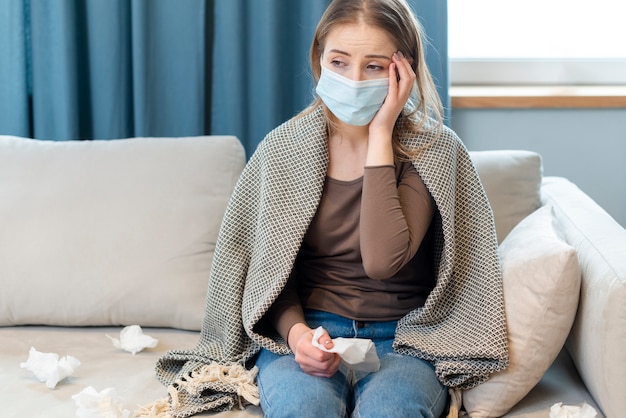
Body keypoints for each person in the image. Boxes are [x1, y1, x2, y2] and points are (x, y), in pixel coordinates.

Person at [149, 1, 509, 417]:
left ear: (402, 71)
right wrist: (300, 336)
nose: (354, 80)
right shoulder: (284, 150)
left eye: (374, 66)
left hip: (408, 337)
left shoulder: (432, 150)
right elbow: (270, 276)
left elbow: (381, 260)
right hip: (308, 329)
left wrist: (380, 134)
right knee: (305, 409)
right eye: (339, 61)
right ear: (319, 60)